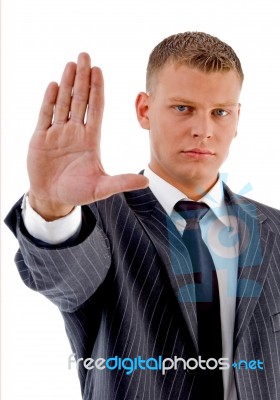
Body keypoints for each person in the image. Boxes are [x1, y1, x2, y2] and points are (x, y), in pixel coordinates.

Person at [5, 32, 280, 400]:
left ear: (237, 117)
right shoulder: (98, 222)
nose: (204, 130)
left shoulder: (275, 231)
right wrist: (52, 205)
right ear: (144, 110)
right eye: (183, 108)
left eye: (220, 112)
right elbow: (62, 275)